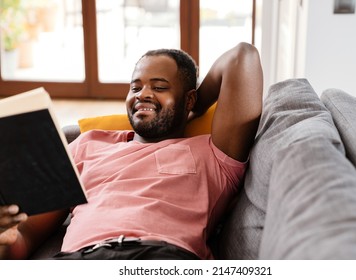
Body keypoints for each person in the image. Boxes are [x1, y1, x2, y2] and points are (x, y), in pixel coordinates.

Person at [0, 42, 263, 260]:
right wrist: (6, 237)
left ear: (189, 98)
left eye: (159, 87)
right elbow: (25, 238)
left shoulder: (212, 153)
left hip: (160, 258)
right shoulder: (86, 144)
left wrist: (191, 110)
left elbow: (242, 57)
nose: (143, 94)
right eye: (135, 87)